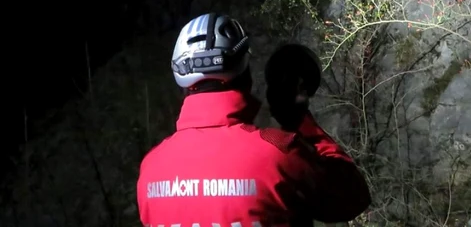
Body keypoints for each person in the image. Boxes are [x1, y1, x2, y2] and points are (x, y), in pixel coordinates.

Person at [136, 13, 371, 227]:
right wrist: (299, 119)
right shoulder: (279, 153)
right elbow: (353, 197)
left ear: (182, 83)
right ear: (246, 76)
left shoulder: (149, 170)